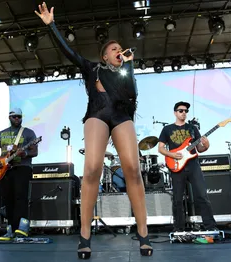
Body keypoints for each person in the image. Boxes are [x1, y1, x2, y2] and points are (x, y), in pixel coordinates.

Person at [35, 2, 153, 259]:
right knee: (91, 169)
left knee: (133, 169)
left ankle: (143, 233)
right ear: (104, 56)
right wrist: (51, 26)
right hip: (97, 116)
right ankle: (85, 235)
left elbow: (131, 94)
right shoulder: (92, 69)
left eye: (120, 49)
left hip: (121, 117)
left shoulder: (124, 72)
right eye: (113, 49)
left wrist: (129, 65)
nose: (118, 51)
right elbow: (68, 52)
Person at [158, 101, 218, 231]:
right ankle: (179, 229)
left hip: (193, 164)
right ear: (175, 112)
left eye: (186, 111)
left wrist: (206, 145)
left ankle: (211, 227)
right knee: (178, 199)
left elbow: (199, 149)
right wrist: (172, 155)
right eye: (181, 110)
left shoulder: (192, 128)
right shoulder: (167, 129)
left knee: (202, 195)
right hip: (177, 165)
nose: (184, 113)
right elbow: (161, 148)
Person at [0, 108, 38, 241]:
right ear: (9, 117)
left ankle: (22, 228)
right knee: (8, 199)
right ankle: (10, 229)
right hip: (6, 170)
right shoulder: (1, 134)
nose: (17, 119)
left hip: (22, 167)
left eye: (19, 117)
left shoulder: (28, 133)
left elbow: (34, 151)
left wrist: (25, 154)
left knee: (21, 197)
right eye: (14, 117)